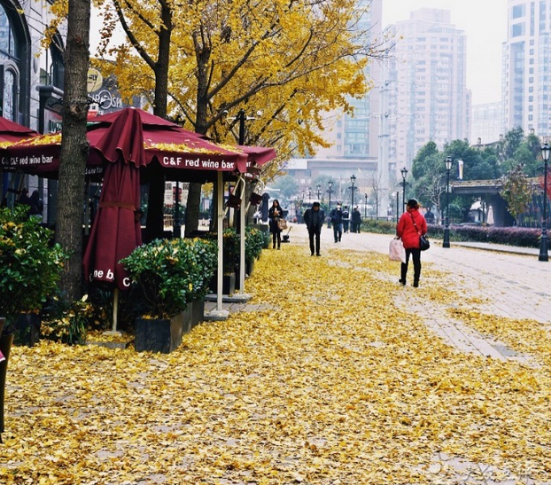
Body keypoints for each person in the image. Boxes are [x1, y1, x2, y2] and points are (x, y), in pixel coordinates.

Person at [397, 199, 428, 288]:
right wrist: (419, 234)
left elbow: (400, 229)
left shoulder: (404, 216)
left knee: (404, 261)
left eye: (407, 205)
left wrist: (399, 236)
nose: (406, 206)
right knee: (417, 262)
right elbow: (425, 229)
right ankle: (416, 281)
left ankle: (403, 279)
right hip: (417, 243)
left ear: (410, 206)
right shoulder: (421, 217)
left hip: (406, 243)